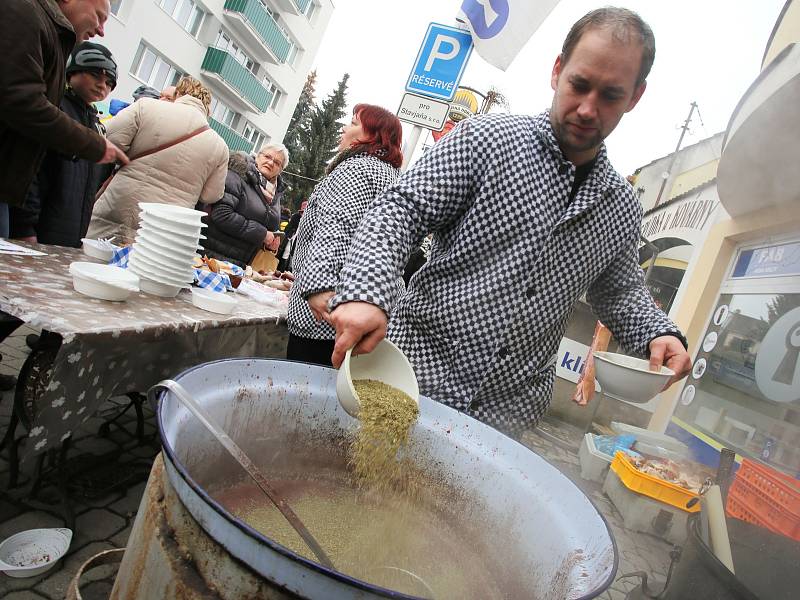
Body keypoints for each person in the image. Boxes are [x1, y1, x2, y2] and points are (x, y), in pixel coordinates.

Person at [326, 8, 692, 438]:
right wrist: (367, 293)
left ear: (635, 97)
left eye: (611, 95)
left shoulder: (620, 206)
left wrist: (659, 334)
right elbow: (399, 211)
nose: (588, 109)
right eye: (579, 85)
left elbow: (621, 291)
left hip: (502, 422)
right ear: (557, 71)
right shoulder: (486, 140)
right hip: (407, 381)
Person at [287, 104, 403, 366]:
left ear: (372, 137)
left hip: (324, 323)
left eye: (352, 123)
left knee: (307, 400)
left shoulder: (356, 170)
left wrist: (319, 285)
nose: (343, 128)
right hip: (368, 314)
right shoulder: (394, 178)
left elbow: (338, 226)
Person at [0, 0, 127, 237]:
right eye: (99, 17)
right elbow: (22, 102)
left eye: (109, 82)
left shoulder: (46, 29)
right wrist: (92, 145)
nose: (101, 30)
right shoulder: (24, 13)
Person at [86, 76, 229, 243]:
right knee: (148, 265)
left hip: (123, 203)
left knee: (95, 255)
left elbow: (108, 141)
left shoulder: (146, 106)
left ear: (178, 93)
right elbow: (211, 195)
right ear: (207, 108)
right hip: (168, 224)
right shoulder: (219, 146)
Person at [9, 42, 117, 247]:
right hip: (37, 231)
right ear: (72, 72)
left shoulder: (96, 123)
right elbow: (30, 172)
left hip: (70, 233)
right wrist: (24, 227)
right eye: (95, 74)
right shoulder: (56, 112)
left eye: (109, 81)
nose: (102, 85)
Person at [201, 144, 289, 268]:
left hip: (242, 265)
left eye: (277, 162)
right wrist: (262, 234)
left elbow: (268, 226)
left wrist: (271, 241)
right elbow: (221, 214)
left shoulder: (275, 193)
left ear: (280, 170)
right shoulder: (238, 173)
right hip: (213, 256)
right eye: (267, 156)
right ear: (258, 156)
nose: (270, 162)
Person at [276, 200, 306, 272]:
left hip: (297, 243)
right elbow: (288, 229)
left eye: (304, 212)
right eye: (302, 212)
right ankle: (279, 270)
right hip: (289, 239)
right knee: (284, 253)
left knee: (290, 257)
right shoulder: (295, 217)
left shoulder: (307, 221)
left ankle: (284, 271)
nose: (303, 213)